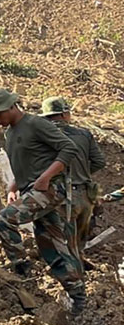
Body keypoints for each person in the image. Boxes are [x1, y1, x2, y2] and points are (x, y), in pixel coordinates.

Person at [0, 89, 85, 315]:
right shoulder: (10, 133)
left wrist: (46, 177)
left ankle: (22, 270)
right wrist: (13, 187)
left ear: (11, 107)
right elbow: (28, 162)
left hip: (50, 189)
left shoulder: (36, 124)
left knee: (3, 220)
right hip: (31, 190)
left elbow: (68, 148)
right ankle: (78, 297)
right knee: (52, 246)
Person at [40, 96, 106, 269]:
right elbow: (99, 162)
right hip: (85, 195)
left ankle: (69, 275)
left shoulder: (42, 136)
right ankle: (80, 269)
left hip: (59, 195)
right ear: (63, 114)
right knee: (79, 239)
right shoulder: (84, 134)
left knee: (61, 240)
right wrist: (83, 172)